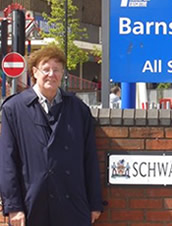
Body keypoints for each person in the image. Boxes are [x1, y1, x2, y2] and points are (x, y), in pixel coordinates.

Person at [0, 45, 103, 226]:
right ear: (34, 72)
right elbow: (7, 161)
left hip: (72, 203)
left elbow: (90, 158)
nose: (51, 74)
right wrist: (14, 207)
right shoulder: (14, 109)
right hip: (32, 204)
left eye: (56, 70)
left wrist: (95, 202)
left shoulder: (78, 109)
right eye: (45, 69)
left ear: (62, 73)